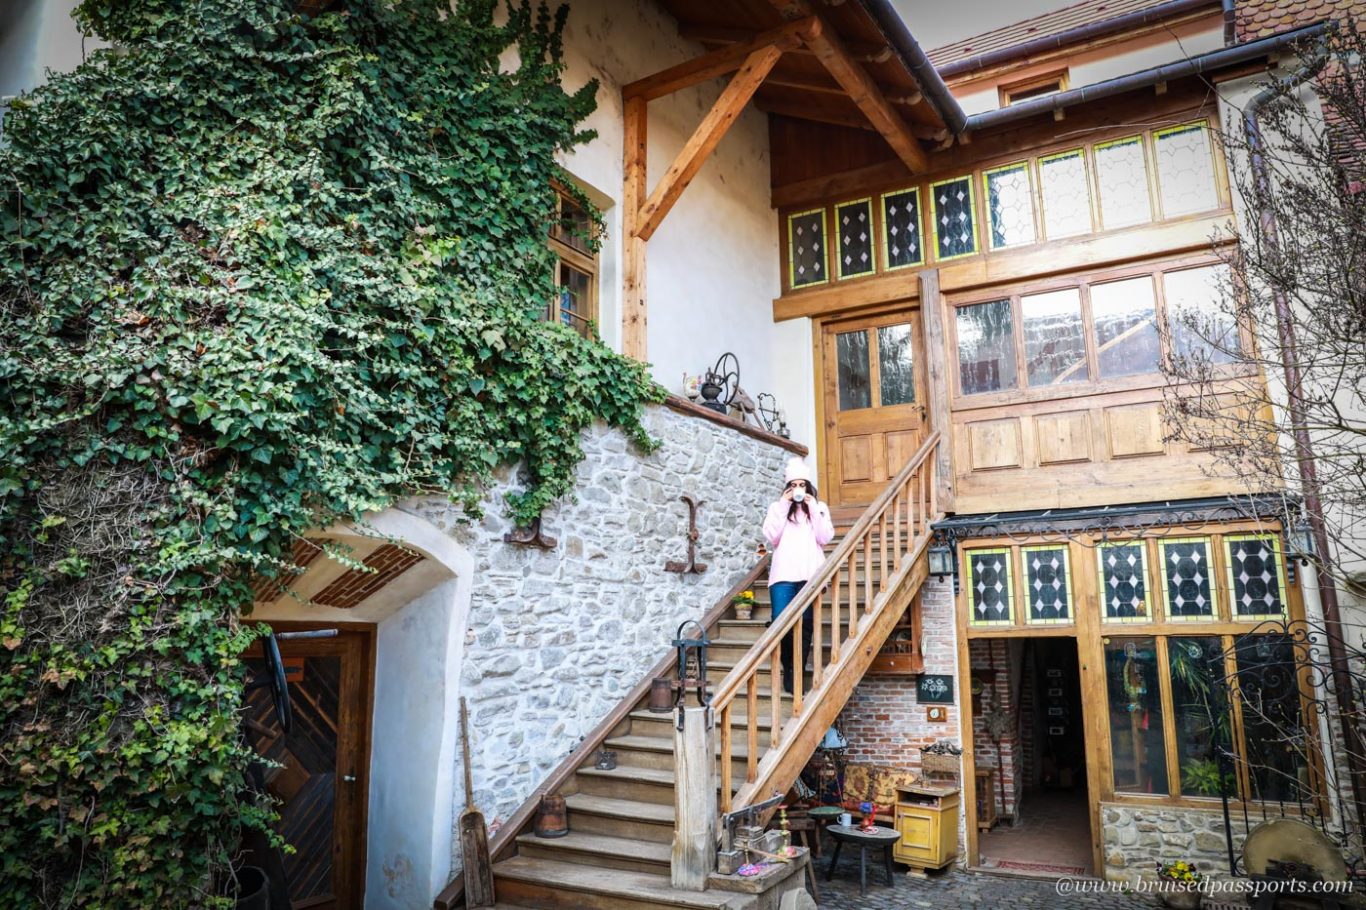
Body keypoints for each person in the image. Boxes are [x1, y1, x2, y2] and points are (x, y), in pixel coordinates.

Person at [762, 458, 835, 694]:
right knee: (780, 621)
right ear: (787, 488)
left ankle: (797, 672)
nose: (798, 490)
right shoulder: (777, 508)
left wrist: (813, 508)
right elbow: (772, 536)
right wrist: (784, 505)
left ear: (809, 486)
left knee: (805, 625)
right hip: (783, 575)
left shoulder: (819, 507)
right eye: (793, 485)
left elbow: (825, 537)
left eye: (802, 485)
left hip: (809, 576)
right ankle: (787, 663)